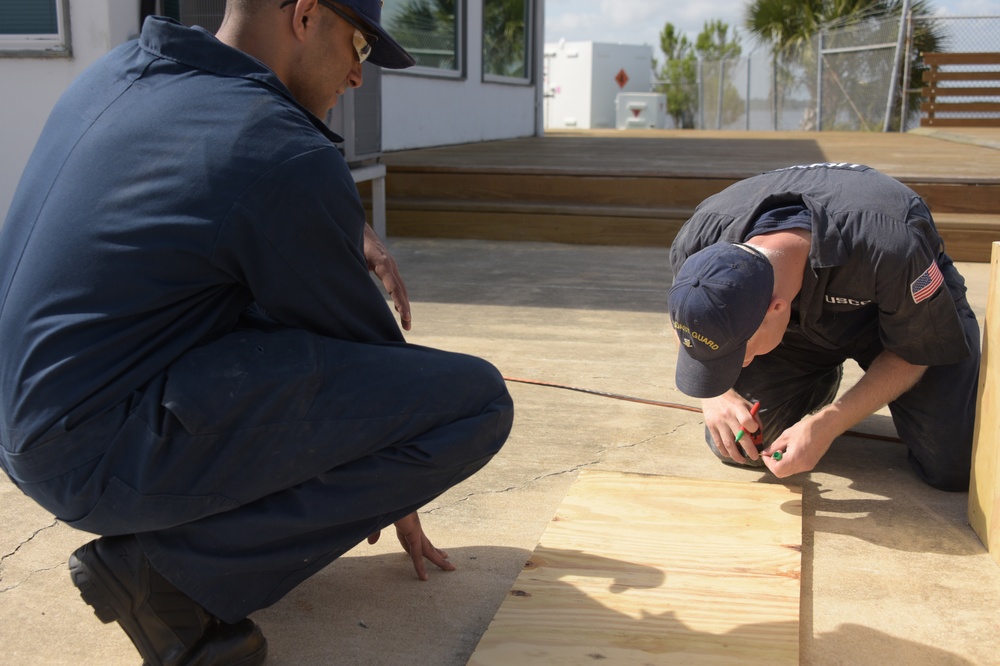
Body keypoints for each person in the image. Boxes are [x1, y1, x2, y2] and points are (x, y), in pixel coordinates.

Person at [0, 2, 513, 664]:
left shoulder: (126, 69)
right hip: (92, 456)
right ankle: (164, 578)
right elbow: (375, 369)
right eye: (358, 48)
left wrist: (328, 226)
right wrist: (397, 483)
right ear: (304, 16)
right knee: (475, 402)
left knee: (266, 315)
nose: (358, 78)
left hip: (26, 425)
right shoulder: (278, 147)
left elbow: (202, 198)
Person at [667, 162, 979, 492]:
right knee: (737, 444)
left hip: (899, 319)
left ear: (776, 308)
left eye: (737, 353)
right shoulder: (699, 240)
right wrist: (717, 396)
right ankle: (818, 377)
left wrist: (828, 423)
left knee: (953, 466)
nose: (738, 365)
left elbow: (916, 350)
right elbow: (684, 312)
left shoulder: (889, 245)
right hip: (800, 327)